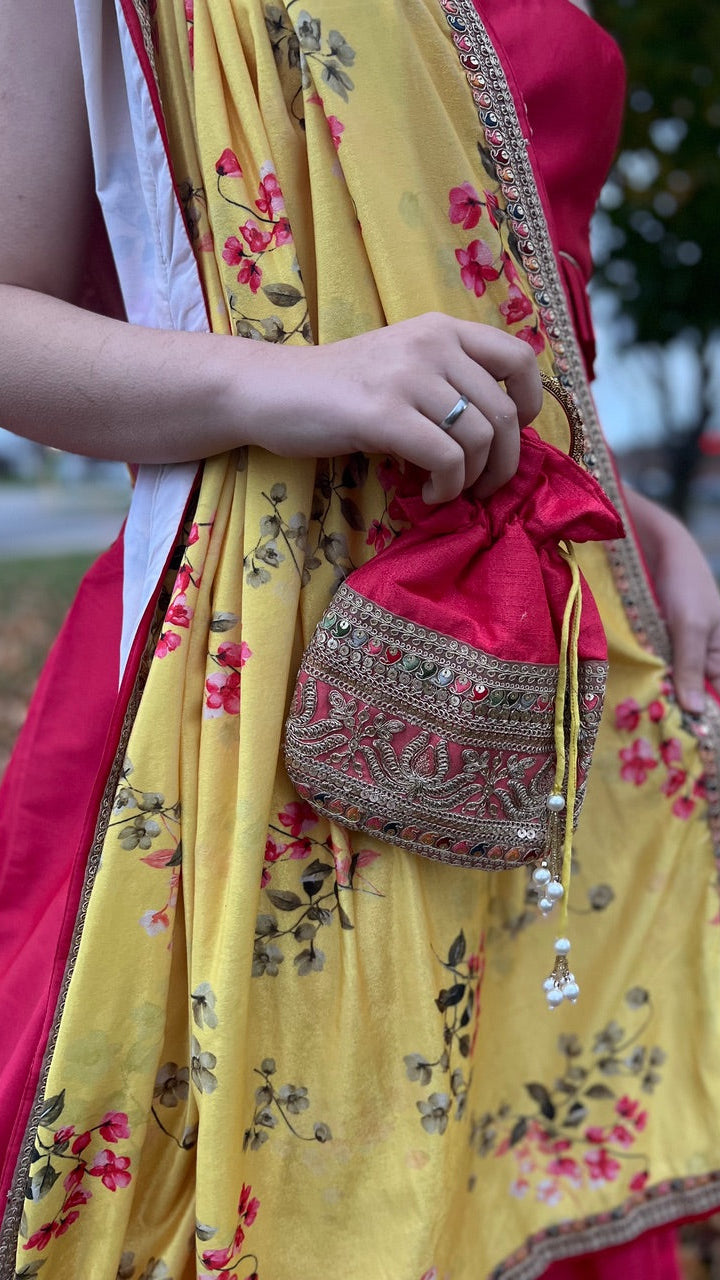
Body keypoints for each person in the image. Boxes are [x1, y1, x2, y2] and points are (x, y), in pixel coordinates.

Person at [0, 0, 719, 1276]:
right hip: (247, 678)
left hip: (539, 639)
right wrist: (281, 381)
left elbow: (522, 305)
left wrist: (628, 509)